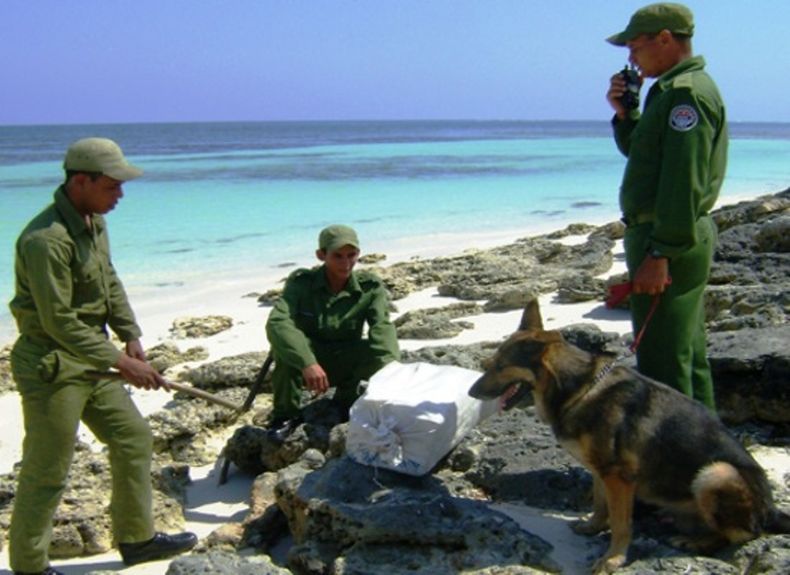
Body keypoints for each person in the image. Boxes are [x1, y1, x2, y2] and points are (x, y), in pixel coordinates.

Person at [7, 138, 197, 575]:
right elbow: (58, 322)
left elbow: (108, 280)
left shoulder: (93, 221)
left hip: (95, 359)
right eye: (112, 186)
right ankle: (28, 566)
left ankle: (137, 539)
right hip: (53, 365)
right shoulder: (45, 240)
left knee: (134, 439)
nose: (120, 195)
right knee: (48, 467)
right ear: (81, 181)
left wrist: (129, 333)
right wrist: (120, 362)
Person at [606, 3, 727, 410]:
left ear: (664, 38)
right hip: (674, 234)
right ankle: (711, 456)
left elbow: (682, 182)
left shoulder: (684, 94)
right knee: (686, 358)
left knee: (662, 367)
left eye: (635, 46)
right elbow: (648, 159)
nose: (630, 57)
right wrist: (627, 114)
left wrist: (661, 252)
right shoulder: (673, 90)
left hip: (668, 237)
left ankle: (677, 466)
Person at [265, 224, 400, 437]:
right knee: (284, 352)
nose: (346, 263)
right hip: (310, 363)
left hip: (346, 360)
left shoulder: (369, 287)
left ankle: (345, 402)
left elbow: (382, 326)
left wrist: (392, 368)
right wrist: (307, 363)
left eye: (351, 255)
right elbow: (278, 322)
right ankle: (284, 416)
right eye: (338, 256)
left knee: (378, 355)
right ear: (321, 255)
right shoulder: (301, 283)